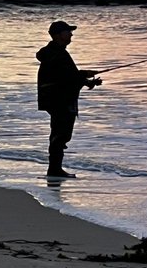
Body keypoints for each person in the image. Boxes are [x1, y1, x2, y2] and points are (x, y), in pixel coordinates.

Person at [36, 20, 101, 179]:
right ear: (58, 35)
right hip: (60, 100)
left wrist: (87, 82)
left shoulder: (55, 52)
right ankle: (54, 170)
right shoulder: (56, 53)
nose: (71, 34)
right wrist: (84, 74)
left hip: (58, 99)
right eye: (68, 32)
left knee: (60, 135)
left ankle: (55, 168)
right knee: (60, 135)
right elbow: (66, 76)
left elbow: (66, 77)